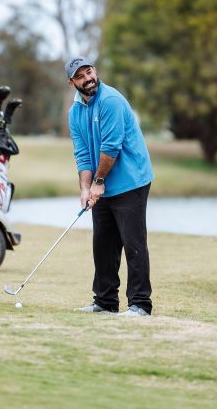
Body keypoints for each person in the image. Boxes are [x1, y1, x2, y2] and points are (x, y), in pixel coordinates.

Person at [66, 56, 155, 317]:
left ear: (95, 71)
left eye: (89, 71)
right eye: (80, 76)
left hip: (131, 179)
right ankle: (105, 302)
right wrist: (85, 188)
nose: (88, 78)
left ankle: (140, 304)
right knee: (103, 244)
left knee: (133, 242)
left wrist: (99, 182)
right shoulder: (75, 112)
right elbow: (82, 153)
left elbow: (111, 146)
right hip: (100, 184)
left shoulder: (111, 100)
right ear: (72, 82)